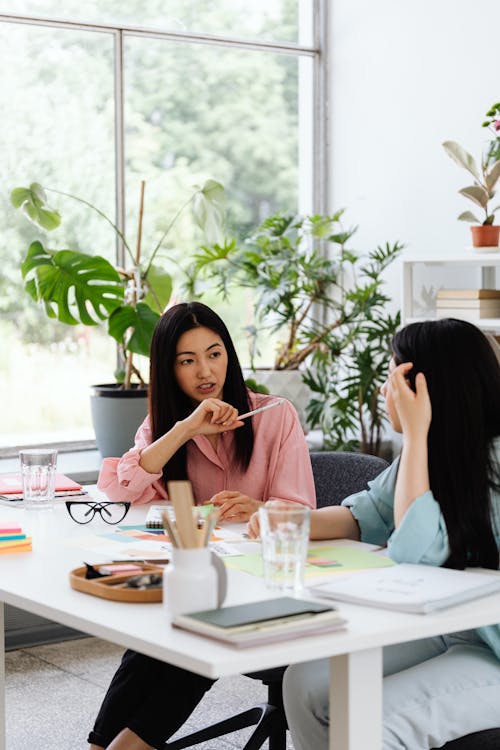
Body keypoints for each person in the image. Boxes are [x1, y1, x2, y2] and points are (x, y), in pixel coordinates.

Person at [88, 301, 315, 750]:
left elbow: (299, 510)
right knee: (163, 632)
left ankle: (122, 748)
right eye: (187, 361)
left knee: (194, 631)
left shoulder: (274, 415)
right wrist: (185, 429)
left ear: (229, 354)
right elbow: (121, 487)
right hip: (201, 578)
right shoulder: (170, 425)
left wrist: (257, 508)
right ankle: (103, 747)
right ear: (168, 370)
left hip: (264, 585)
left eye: (214, 354)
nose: (205, 371)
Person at [277, 318, 500, 750]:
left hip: (493, 649)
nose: (384, 392)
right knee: (304, 683)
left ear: (426, 389)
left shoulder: (489, 460)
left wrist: (415, 435)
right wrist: (285, 520)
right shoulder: (435, 448)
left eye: (392, 377)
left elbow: (414, 555)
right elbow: (364, 514)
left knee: (366, 724)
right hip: (454, 631)